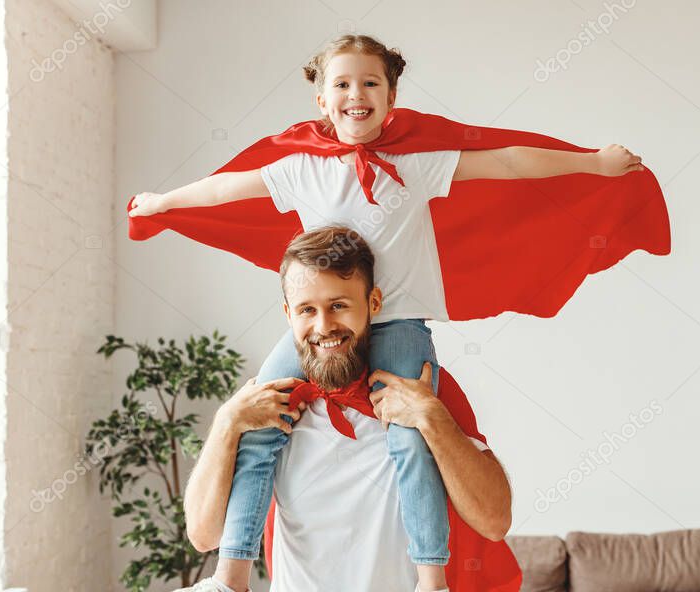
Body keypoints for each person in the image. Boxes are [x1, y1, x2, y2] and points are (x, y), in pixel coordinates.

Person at [130, 34, 658, 592]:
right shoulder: (301, 169)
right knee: (260, 419)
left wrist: (593, 163)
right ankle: (230, 576)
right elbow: (226, 189)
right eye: (342, 84)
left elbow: (505, 161)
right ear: (320, 101)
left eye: (369, 82)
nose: (356, 94)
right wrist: (162, 203)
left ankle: (431, 579)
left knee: (409, 435)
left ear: (391, 95)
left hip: (402, 324)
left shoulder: (417, 165)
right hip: (288, 460)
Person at [178, 227, 514, 592]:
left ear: (372, 304)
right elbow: (203, 534)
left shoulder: (420, 387)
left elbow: (494, 520)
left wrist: (432, 419)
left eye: (338, 305)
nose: (324, 327)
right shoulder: (270, 405)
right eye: (308, 310)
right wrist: (226, 424)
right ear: (289, 314)